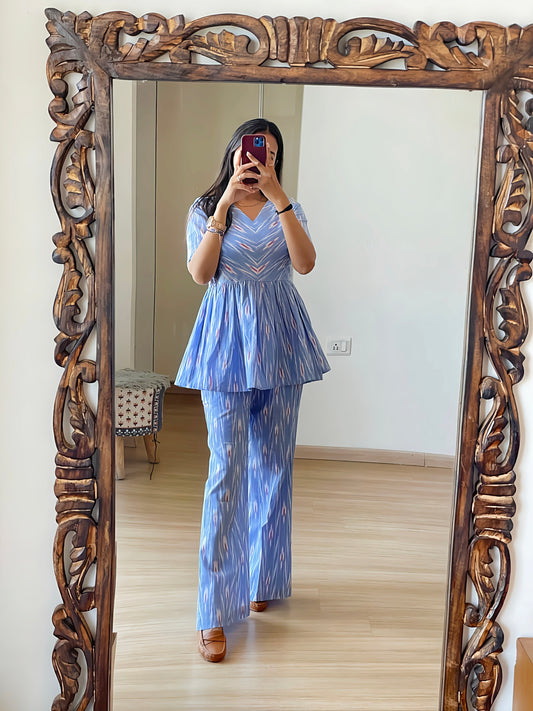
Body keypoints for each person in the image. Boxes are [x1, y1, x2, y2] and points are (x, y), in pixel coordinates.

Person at [175, 118, 330, 663]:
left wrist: (279, 198)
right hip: (224, 344)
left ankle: (263, 577)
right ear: (235, 153)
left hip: (282, 342)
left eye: (271, 156)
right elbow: (201, 275)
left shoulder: (290, 208)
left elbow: (305, 264)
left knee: (275, 465)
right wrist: (223, 208)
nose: (261, 161)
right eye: (254, 152)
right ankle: (214, 611)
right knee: (226, 473)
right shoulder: (204, 209)